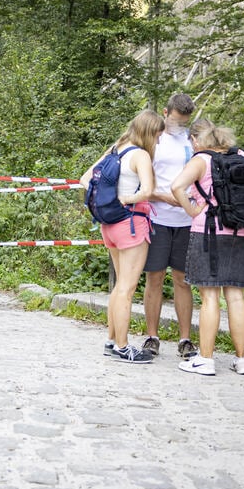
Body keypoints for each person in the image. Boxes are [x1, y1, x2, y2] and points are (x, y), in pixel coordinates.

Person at [170, 119, 244, 376]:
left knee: (209, 297)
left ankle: (206, 359)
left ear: (197, 141)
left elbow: (176, 187)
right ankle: (241, 359)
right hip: (240, 232)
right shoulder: (242, 157)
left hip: (208, 233)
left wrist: (192, 210)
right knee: (235, 296)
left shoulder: (201, 160)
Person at [80, 110, 164, 363]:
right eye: (158, 136)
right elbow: (148, 191)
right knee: (127, 289)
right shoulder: (140, 155)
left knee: (119, 287)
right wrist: (127, 198)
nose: (158, 142)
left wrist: (112, 201)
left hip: (110, 225)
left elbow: (85, 179)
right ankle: (124, 346)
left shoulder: (116, 148)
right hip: (131, 224)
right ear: (149, 132)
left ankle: (112, 340)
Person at [142, 93, 199, 360]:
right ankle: (152, 337)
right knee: (154, 278)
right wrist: (163, 197)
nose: (179, 127)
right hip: (157, 217)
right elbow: (142, 183)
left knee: (182, 280)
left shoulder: (193, 140)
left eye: (184, 122)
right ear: (165, 113)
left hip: (187, 219)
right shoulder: (153, 139)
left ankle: (185, 339)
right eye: (176, 121)